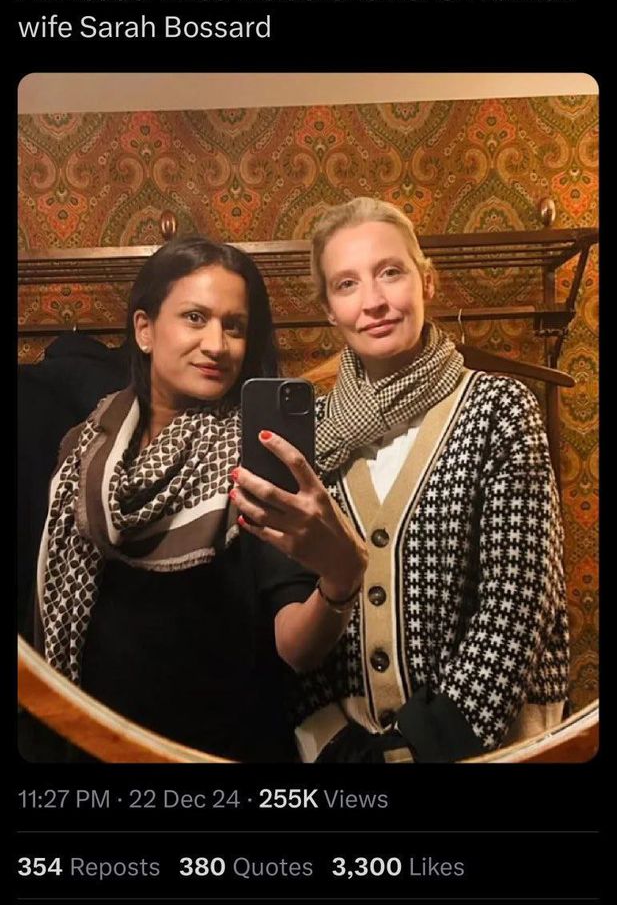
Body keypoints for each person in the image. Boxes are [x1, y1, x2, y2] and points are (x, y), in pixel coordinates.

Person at [233, 198, 570, 763]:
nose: (373, 301)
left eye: (390, 272)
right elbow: (291, 600)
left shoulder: (500, 410)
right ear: (329, 310)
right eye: (347, 284)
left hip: (490, 749)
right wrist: (330, 740)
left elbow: (516, 605)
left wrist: (419, 747)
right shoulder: (309, 438)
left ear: (426, 282)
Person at [34, 236, 367, 762]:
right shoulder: (84, 448)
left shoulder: (259, 458)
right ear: (145, 329)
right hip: (91, 747)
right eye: (195, 318)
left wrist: (340, 581)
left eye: (234, 326)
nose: (217, 344)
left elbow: (297, 649)